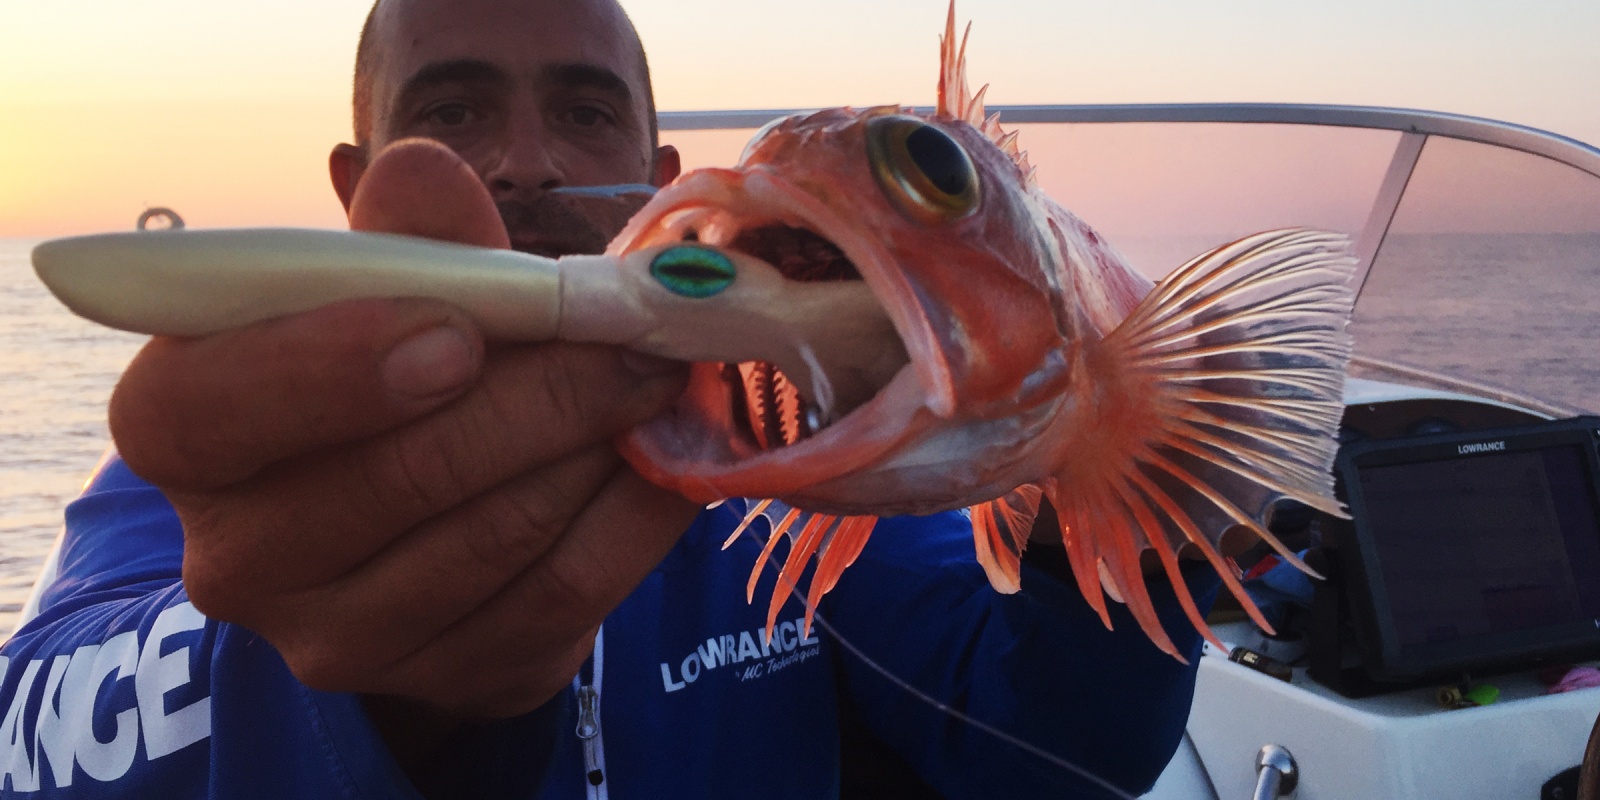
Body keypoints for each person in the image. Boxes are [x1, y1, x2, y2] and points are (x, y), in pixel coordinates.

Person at [0, 0, 1218, 796]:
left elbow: (1048, 740)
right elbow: (33, 722)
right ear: (359, 186)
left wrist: (1115, 516)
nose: (525, 160)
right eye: (453, 109)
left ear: (666, 180)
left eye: (584, 112)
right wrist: (323, 658)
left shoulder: (784, 472)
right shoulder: (219, 478)